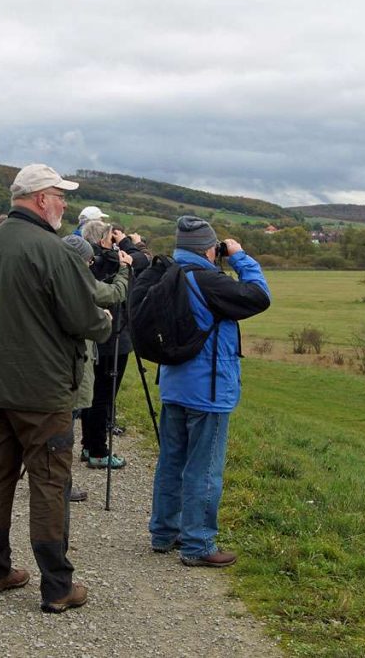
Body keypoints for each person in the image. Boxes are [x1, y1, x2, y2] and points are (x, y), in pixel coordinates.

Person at [0, 164, 111, 613]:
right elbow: (85, 320)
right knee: (50, 482)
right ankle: (58, 585)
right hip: (43, 390)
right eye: (60, 195)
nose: (64, 203)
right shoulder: (53, 251)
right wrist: (104, 321)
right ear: (41, 198)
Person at [146, 216, 270, 567]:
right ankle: (198, 543)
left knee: (171, 461)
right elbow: (259, 297)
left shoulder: (168, 274)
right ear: (209, 248)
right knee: (204, 468)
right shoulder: (209, 280)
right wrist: (241, 257)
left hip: (173, 384)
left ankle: (163, 532)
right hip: (208, 389)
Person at [61, 233, 129, 502]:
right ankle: (59, 484)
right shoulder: (78, 281)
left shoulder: (49, 275)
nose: (92, 264)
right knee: (63, 423)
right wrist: (124, 270)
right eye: (88, 261)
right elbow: (112, 295)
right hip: (72, 361)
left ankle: (51, 477)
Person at [78, 219, 149, 469]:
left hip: (94, 336)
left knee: (92, 394)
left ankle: (88, 444)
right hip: (114, 336)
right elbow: (143, 263)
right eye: (111, 236)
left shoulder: (85, 261)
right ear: (102, 240)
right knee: (104, 397)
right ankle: (98, 449)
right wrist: (130, 245)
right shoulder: (110, 261)